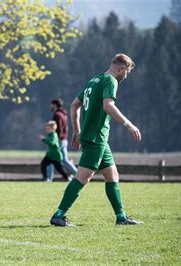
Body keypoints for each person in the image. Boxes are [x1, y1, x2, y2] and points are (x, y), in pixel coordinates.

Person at [50, 53, 143, 227]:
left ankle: (121, 217)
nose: (126, 76)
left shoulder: (94, 80)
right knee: (83, 177)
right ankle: (58, 215)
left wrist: (77, 130)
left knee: (112, 175)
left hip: (96, 138)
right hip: (96, 138)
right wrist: (128, 124)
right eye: (127, 72)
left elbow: (74, 105)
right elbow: (108, 106)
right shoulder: (110, 81)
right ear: (122, 68)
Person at [47, 98, 78, 180]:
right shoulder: (63, 114)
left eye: (51, 104)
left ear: (55, 105)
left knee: (50, 158)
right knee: (64, 159)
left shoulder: (57, 115)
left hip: (59, 140)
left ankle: (48, 178)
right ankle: (78, 175)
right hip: (64, 139)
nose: (50, 106)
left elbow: (59, 129)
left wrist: (55, 139)